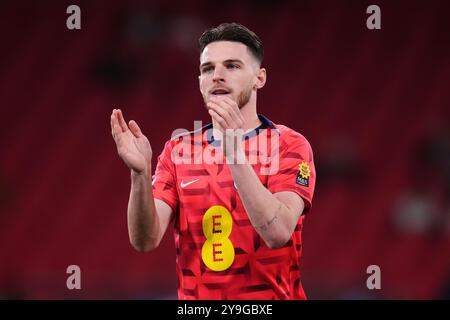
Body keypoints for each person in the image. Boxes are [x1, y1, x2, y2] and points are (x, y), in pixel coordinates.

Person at [110, 22, 316, 300]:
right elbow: (145, 241)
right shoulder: (177, 150)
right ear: (199, 81)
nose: (217, 76)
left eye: (232, 66)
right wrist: (140, 175)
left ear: (260, 78)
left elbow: (277, 233)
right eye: (208, 69)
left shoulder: (289, 144)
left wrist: (233, 151)